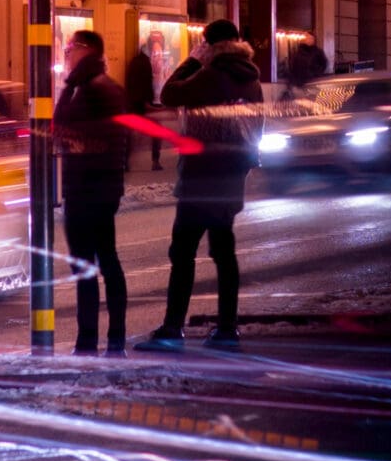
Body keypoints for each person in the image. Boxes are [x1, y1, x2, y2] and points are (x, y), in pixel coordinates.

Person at [136, 18, 263, 353]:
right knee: (224, 252)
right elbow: (256, 126)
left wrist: (192, 59)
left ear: (209, 44)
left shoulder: (212, 73)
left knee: (182, 253)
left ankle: (172, 328)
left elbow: (169, 93)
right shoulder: (250, 77)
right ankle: (226, 329)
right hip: (231, 176)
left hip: (201, 176)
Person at [52, 29, 129, 357]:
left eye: (70, 47)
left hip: (92, 187)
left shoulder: (97, 88)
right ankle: (93, 340)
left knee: (100, 264)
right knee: (90, 265)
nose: (66, 52)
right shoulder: (80, 86)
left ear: (86, 50)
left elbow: (109, 135)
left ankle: (107, 340)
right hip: (85, 186)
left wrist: (74, 140)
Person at [124, 44, 162, 171]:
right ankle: (155, 161)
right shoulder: (145, 63)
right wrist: (148, 102)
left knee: (129, 135)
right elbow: (146, 83)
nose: (156, 56)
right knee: (156, 131)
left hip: (131, 103)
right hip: (142, 104)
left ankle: (125, 163)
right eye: (155, 53)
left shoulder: (134, 61)